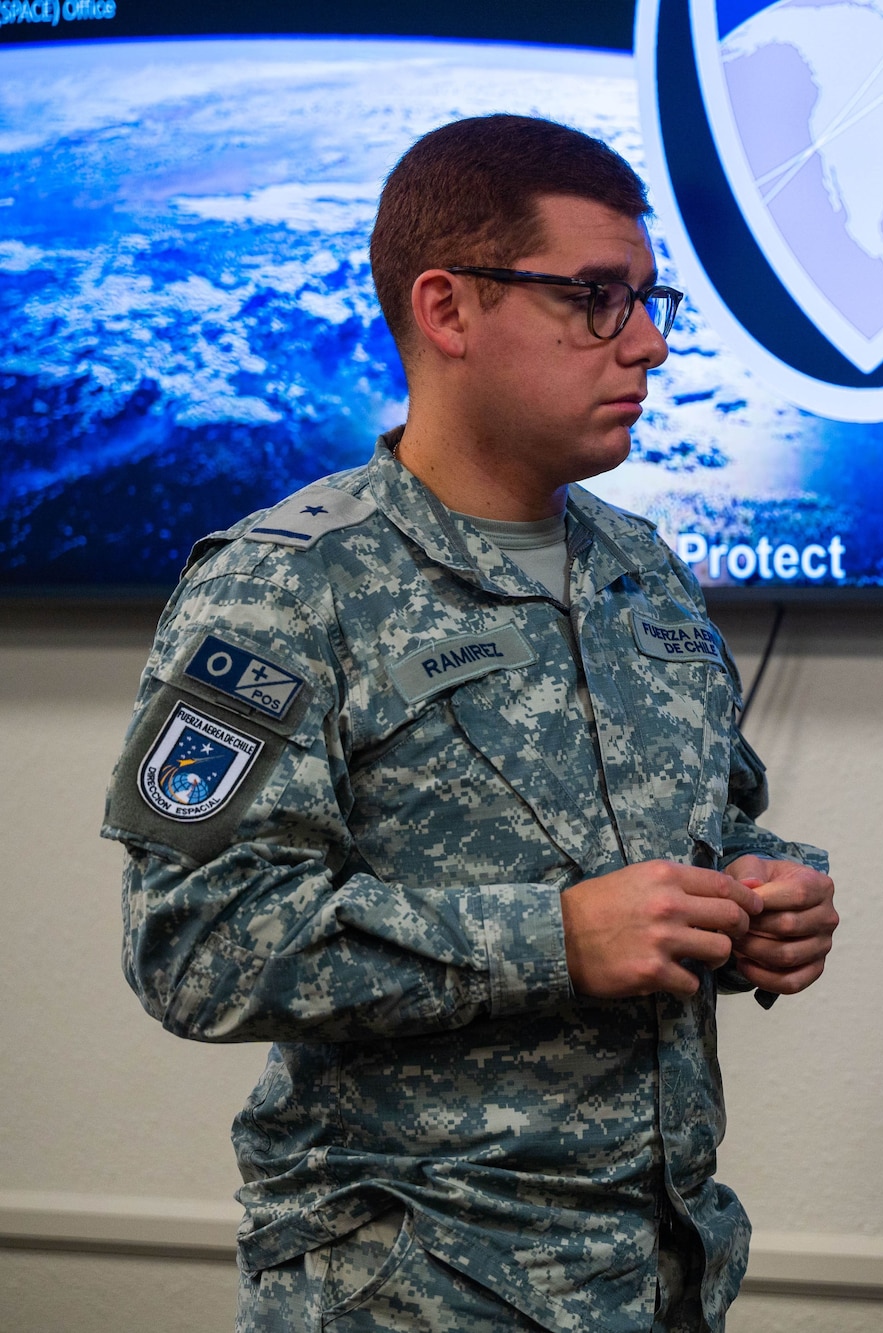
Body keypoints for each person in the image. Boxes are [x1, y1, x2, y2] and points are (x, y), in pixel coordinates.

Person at [104, 114, 838, 1332]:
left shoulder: (643, 572)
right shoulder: (285, 584)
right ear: (447, 311)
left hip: (663, 1275)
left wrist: (769, 893)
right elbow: (192, 942)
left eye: (651, 300)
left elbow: (714, 820)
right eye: (597, 297)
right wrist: (550, 938)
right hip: (413, 1287)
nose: (648, 344)